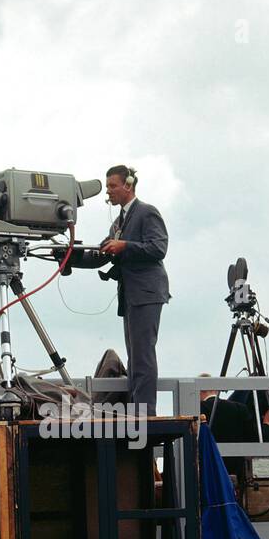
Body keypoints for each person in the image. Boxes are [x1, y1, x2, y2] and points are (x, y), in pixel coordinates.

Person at [99, 165, 169, 416]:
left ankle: (145, 411)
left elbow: (158, 248)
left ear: (128, 185)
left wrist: (125, 245)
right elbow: (104, 252)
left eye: (112, 186)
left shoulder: (147, 213)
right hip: (131, 294)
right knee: (135, 354)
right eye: (107, 187)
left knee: (142, 354)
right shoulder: (120, 221)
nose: (109, 191)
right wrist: (68, 257)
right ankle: (138, 408)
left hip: (146, 292)